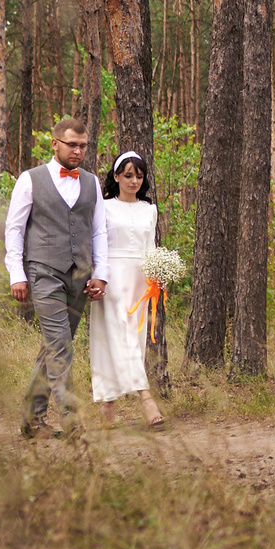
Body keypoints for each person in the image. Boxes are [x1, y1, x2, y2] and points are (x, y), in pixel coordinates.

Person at [5, 117, 110, 437]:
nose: (78, 151)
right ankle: (70, 418)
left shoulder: (92, 182)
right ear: (55, 144)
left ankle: (31, 419)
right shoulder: (30, 179)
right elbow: (14, 229)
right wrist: (16, 274)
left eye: (83, 146)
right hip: (43, 272)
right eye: (71, 145)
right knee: (61, 344)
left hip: (80, 276)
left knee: (54, 346)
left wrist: (101, 274)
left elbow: (98, 231)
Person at [88, 150, 166, 428]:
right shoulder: (104, 206)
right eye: (129, 175)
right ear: (117, 176)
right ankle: (146, 399)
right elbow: (98, 245)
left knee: (130, 337)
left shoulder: (149, 209)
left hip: (140, 281)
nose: (134, 181)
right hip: (112, 276)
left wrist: (159, 274)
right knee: (120, 333)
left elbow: (150, 248)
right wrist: (97, 276)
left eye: (139, 176)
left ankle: (107, 407)